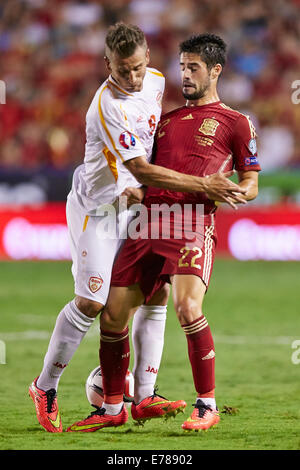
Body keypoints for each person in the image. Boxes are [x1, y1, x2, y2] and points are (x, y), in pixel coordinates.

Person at [29, 25, 245, 433]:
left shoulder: (158, 82)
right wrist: (202, 185)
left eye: (140, 67)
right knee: (93, 303)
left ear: (148, 56)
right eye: (124, 70)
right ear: (107, 64)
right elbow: (141, 166)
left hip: (136, 206)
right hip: (99, 211)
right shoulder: (106, 105)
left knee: (155, 290)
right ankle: (45, 386)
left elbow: (157, 143)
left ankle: (144, 396)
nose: (134, 78)